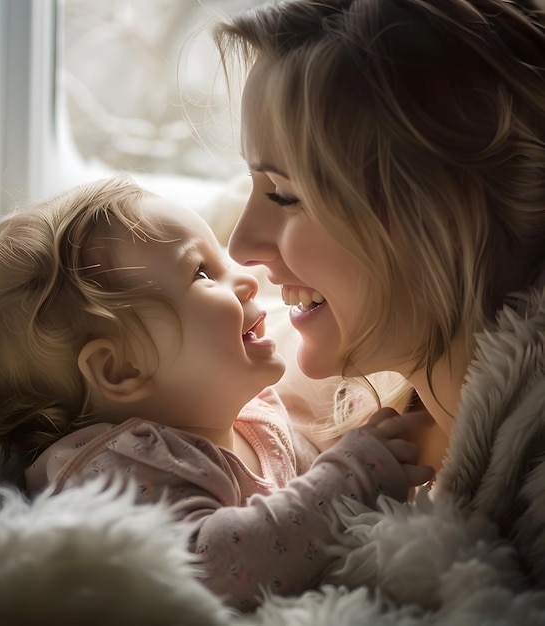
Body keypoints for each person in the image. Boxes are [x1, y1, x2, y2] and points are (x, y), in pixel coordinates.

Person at [0, 175, 433, 611]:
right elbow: (217, 569)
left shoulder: (248, 414)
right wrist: (349, 476)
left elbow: (302, 488)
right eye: (202, 272)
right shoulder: (117, 469)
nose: (245, 278)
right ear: (119, 368)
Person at [212, 0, 545, 593]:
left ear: (439, 217)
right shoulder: (305, 429)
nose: (240, 245)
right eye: (255, 186)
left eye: (285, 196)